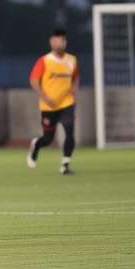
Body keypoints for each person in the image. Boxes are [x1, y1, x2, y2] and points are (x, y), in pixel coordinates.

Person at [27, 28, 79, 175]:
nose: (59, 44)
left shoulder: (71, 60)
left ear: (65, 42)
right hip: (48, 106)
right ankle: (36, 144)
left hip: (66, 103)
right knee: (48, 139)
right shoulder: (44, 61)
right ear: (51, 42)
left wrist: (74, 91)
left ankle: (65, 165)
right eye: (56, 41)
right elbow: (34, 80)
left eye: (62, 41)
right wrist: (45, 98)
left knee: (69, 131)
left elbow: (75, 77)